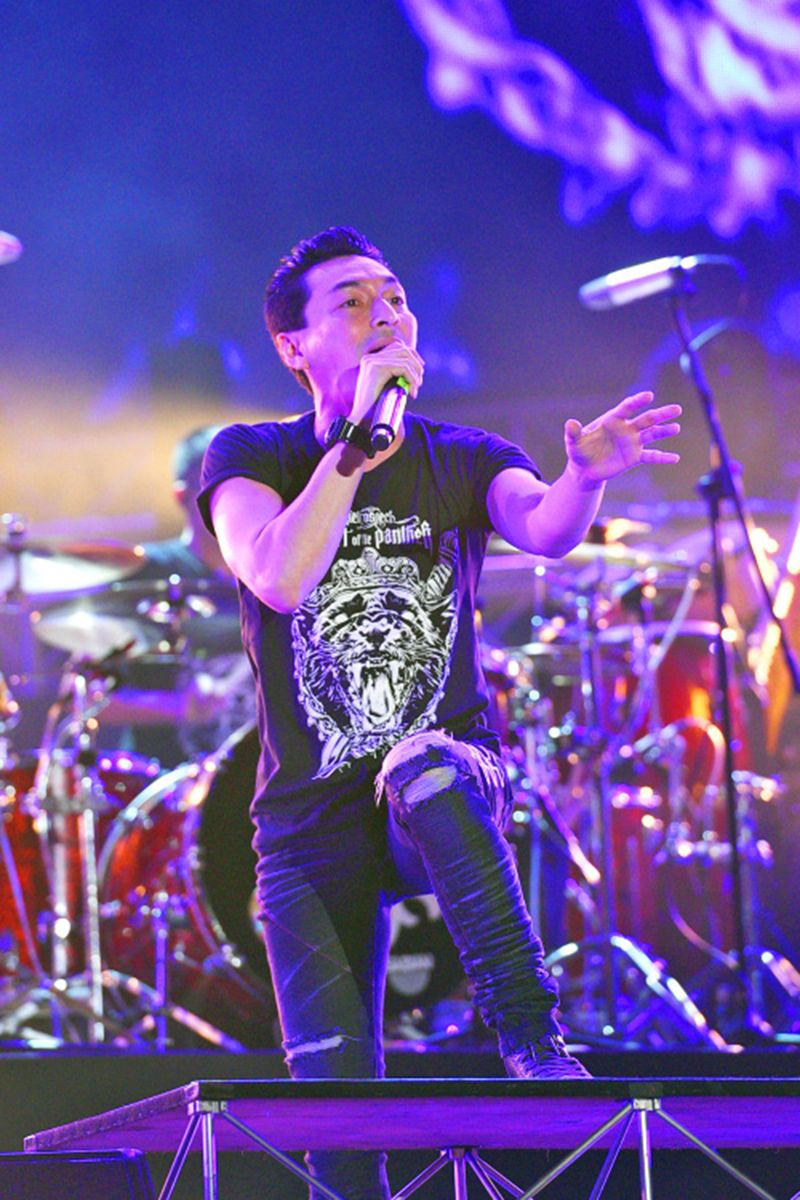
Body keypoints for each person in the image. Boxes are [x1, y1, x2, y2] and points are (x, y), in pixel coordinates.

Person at [198, 226, 681, 1200]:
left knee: (423, 766)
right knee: (338, 1132)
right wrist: (355, 446)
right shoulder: (251, 455)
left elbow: (541, 526)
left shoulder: (462, 456)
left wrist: (583, 478)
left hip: (446, 783)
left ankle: (530, 1035)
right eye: (352, 302)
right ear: (293, 346)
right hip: (306, 822)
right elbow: (278, 577)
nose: (386, 313)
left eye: (394, 296)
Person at [99, 425, 255, 766]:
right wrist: (176, 706)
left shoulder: (271, 571)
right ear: (181, 496)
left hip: (260, 781)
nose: (233, 497)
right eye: (218, 484)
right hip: (167, 781)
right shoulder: (145, 572)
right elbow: (87, 696)